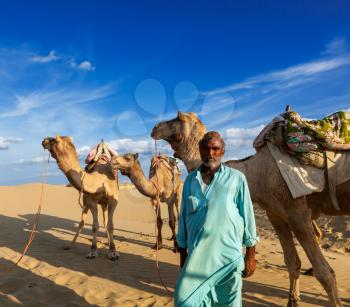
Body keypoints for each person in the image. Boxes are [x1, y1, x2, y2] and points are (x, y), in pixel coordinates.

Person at [174, 131, 259, 307]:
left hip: (227, 258)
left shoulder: (237, 179)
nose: (210, 153)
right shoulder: (190, 180)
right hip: (197, 258)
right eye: (206, 148)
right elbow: (183, 218)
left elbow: (248, 216)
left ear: (222, 151)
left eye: (215, 148)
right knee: (183, 301)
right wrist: (183, 254)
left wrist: (250, 255)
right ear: (200, 150)